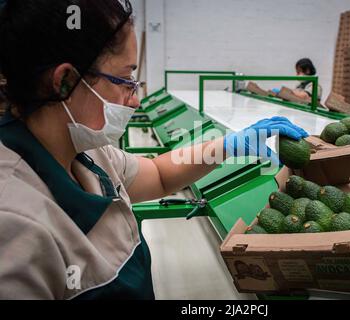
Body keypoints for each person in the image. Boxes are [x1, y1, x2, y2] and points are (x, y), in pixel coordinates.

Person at [0, 0, 308, 300]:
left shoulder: (89, 152)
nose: (135, 100)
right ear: (65, 82)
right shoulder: (14, 228)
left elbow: (159, 174)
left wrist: (227, 146)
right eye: (125, 79)